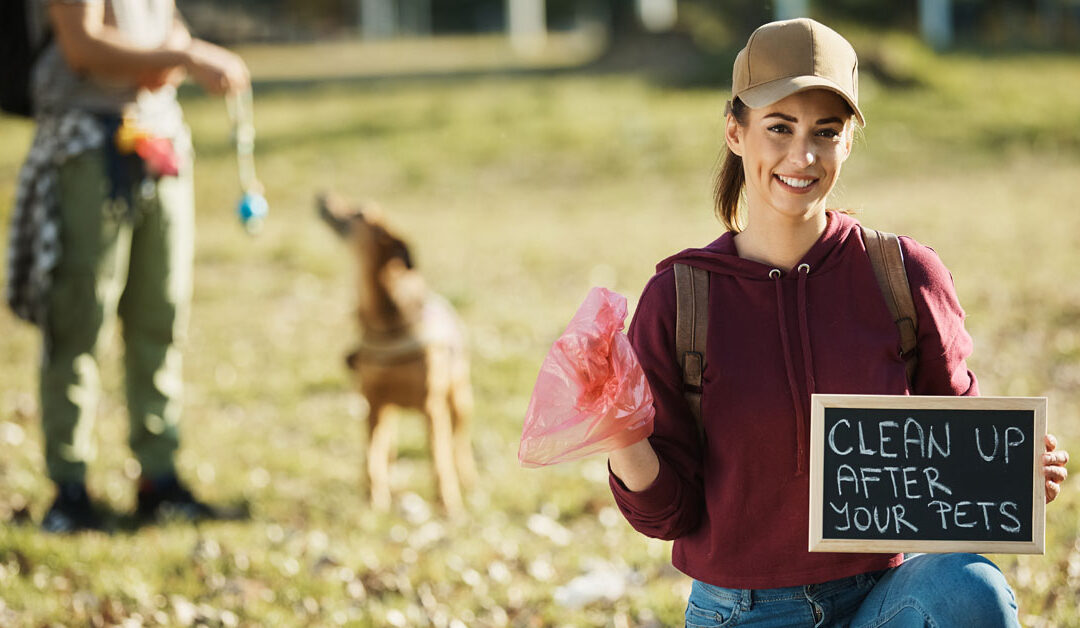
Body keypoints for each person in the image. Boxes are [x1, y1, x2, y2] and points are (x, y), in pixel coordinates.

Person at [606, 18, 1070, 627]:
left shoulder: (904, 275)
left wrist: (1008, 479)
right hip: (741, 612)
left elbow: (954, 461)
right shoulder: (680, 296)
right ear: (735, 132)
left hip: (884, 600)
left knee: (969, 588)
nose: (802, 155)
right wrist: (616, 430)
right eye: (779, 127)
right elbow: (668, 514)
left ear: (848, 142)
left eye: (826, 132)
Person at [6, 0, 250, 533]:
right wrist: (185, 54)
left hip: (160, 140)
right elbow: (82, 46)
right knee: (78, 321)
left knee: (159, 316)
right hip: (86, 148)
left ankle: (159, 480)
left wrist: (175, 50)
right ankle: (70, 489)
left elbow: (165, 26)